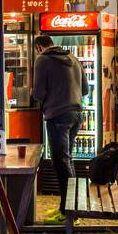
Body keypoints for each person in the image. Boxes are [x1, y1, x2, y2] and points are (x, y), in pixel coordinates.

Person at [32, 35, 88, 223]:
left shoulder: (43, 59)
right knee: (67, 160)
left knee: (60, 162)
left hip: (57, 116)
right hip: (76, 114)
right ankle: (69, 209)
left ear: (39, 47)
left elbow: (38, 93)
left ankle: (69, 212)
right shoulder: (72, 57)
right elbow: (86, 90)